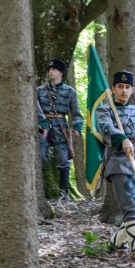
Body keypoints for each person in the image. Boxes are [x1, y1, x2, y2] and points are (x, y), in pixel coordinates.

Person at [97, 71, 135, 261]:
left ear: (132, 90)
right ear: (113, 89)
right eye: (120, 87)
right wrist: (121, 138)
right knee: (132, 208)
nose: (124, 90)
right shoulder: (105, 109)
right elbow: (105, 127)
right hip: (120, 163)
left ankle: (116, 240)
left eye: (127, 87)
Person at [0, 83, 48, 214]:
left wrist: (42, 124)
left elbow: (35, 108)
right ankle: (0, 200)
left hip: (22, 135)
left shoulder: (24, 83)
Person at [37, 59, 83, 199]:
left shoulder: (70, 92)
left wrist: (76, 126)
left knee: (63, 161)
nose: (51, 71)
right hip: (43, 129)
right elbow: (34, 109)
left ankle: (64, 193)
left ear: (61, 73)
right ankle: (40, 191)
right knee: (40, 157)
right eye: (49, 69)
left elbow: (76, 113)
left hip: (60, 128)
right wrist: (41, 123)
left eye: (54, 69)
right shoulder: (39, 90)